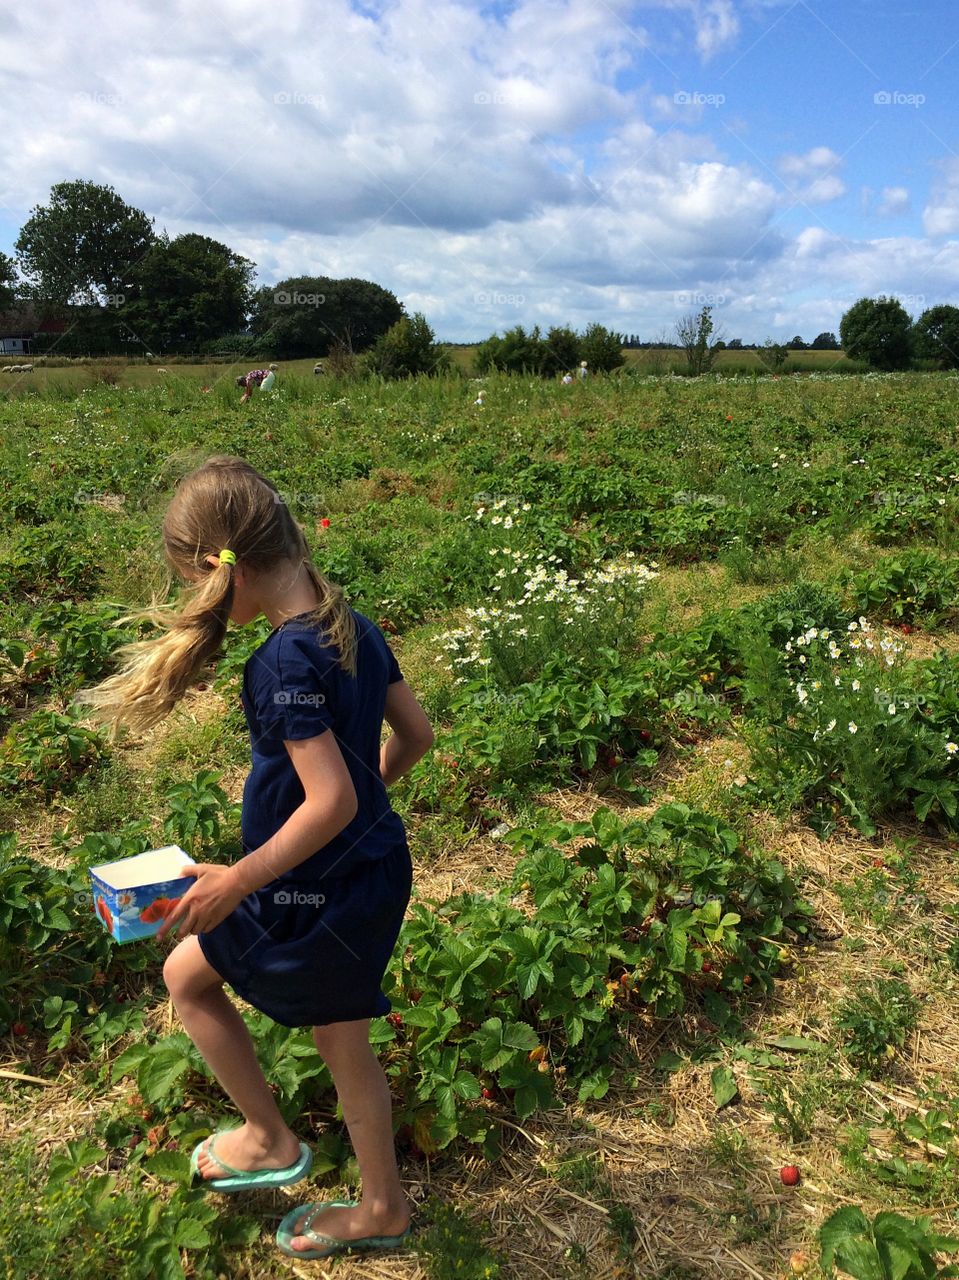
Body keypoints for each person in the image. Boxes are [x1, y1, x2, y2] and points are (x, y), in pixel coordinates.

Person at [73, 455, 433, 1261]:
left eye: (189, 581)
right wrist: (357, 807)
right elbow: (416, 737)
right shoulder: (350, 623)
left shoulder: (282, 661)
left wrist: (240, 877)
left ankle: (372, 1202)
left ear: (217, 567)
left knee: (333, 1038)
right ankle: (274, 1141)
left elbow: (329, 801)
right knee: (202, 981)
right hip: (355, 874)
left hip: (319, 892)